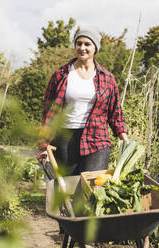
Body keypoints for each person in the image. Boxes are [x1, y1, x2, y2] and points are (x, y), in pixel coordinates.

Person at [37, 27, 128, 176]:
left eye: (87, 44)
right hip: (65, 139)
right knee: (68, 187)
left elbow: (115, 113)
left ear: (95, 48)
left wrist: (125, 139)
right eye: (79, 43)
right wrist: (43, 145)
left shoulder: (107, 78)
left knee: (93, 187)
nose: (82, 48)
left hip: (96, 138)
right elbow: (49, 113)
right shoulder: (61, 75)